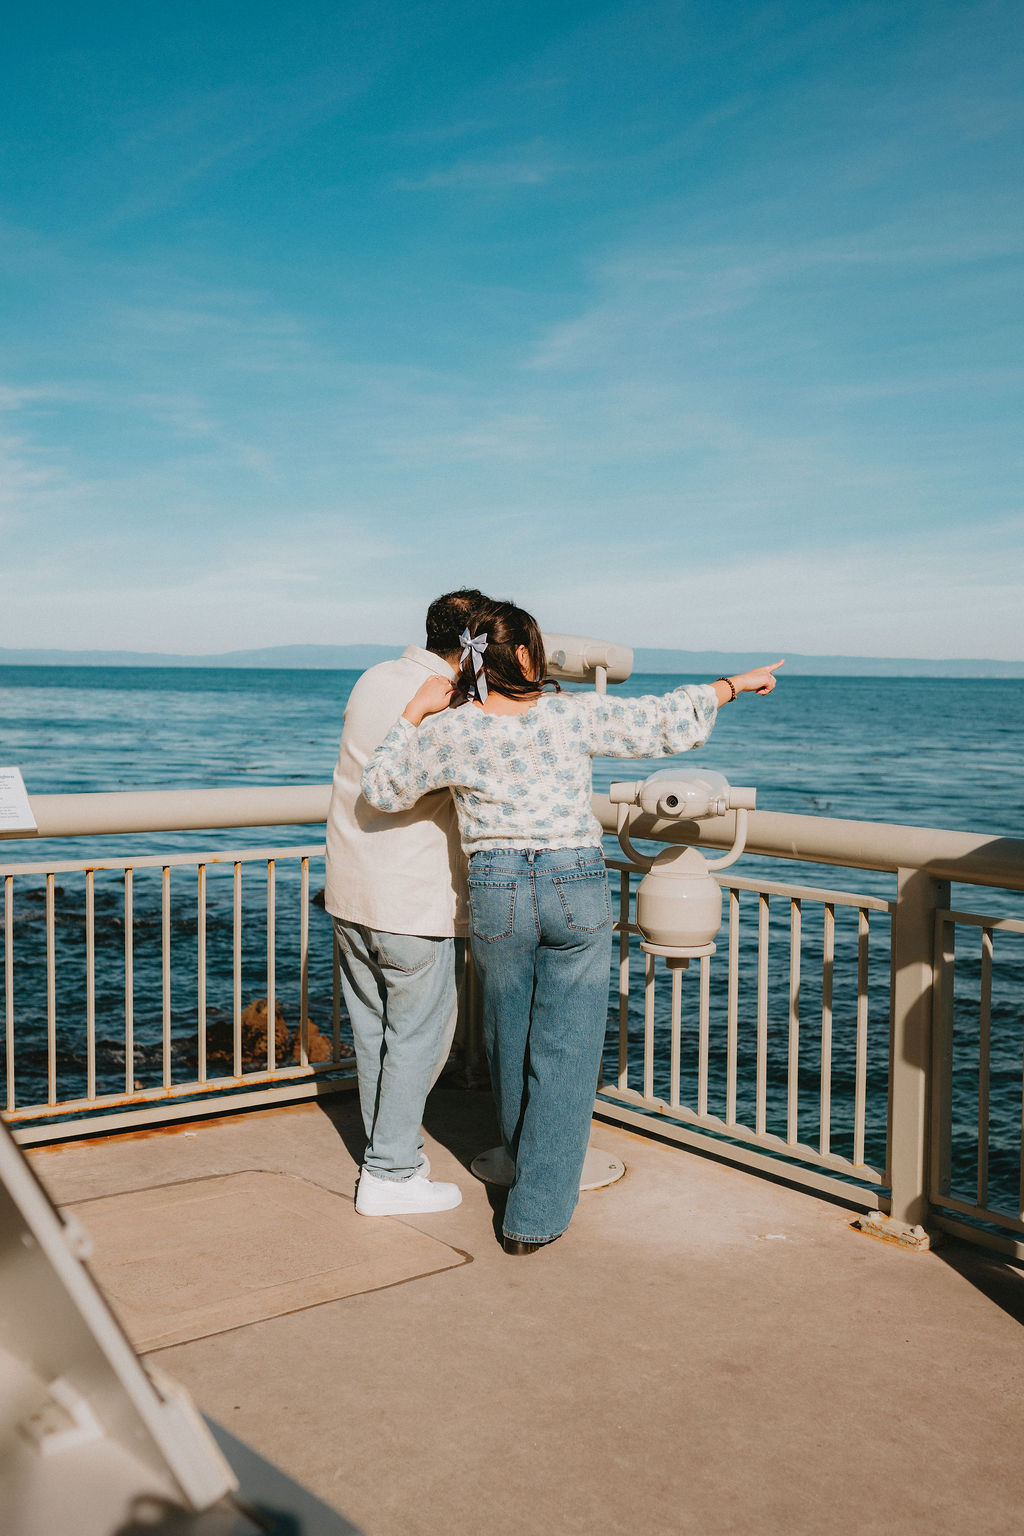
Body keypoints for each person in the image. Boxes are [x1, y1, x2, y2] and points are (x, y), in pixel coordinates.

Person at [361, 596, 784, 1253]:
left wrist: (414, 713)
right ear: (529, 657)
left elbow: (383, 791)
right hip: (574, 882)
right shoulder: (569, 715)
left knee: (510, 1038)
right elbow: (661, 723)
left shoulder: (450, 730)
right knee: (567, 1051)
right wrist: (733, 684)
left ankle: (520, 1160)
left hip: (497, 885)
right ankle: (534, 1215)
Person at [324, 588, 489, 1216]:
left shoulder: (374, 678)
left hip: (350, 890)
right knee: (418, 1039)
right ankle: (391, 1174)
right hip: (411, 902)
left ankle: (387, 1157)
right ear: (475, 644)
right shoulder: (446, 704)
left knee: (374, 1034)